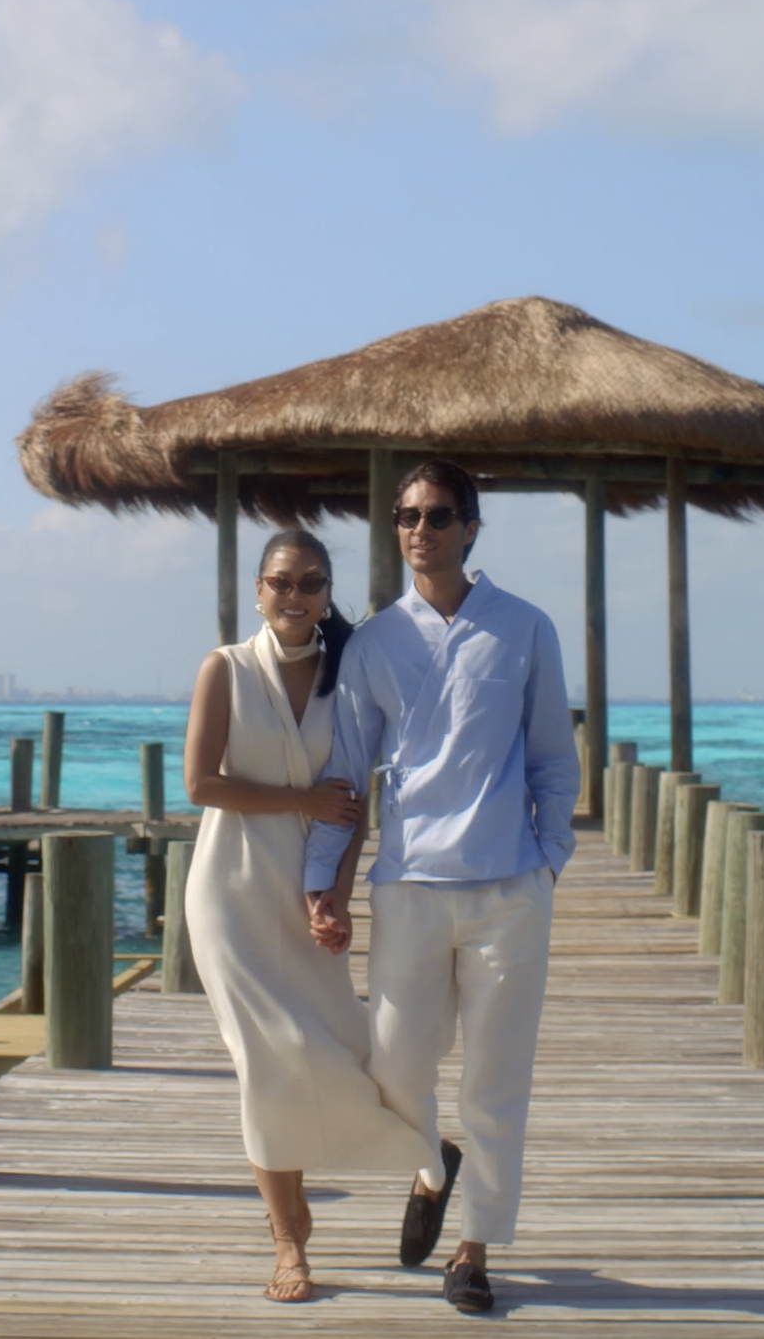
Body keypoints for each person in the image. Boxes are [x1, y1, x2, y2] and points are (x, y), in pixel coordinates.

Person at [303, 460, 578, 1314]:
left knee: (496, 1080)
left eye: (439, 514)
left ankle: (474, 1250)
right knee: (397, 1067)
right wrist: (324, 883)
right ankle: (432, 1166)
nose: (420, 528)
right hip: (409, 883)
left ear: (471, 527)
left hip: (508, 888)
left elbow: (552, 759)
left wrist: (549, 856)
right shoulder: (376, 640)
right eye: (407, 515)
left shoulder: (525, 628)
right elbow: (348, 771)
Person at [181, 530, 438, 1304]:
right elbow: (201, 783)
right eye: (281, 583)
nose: (294, 598)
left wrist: (335, 894)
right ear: (257, 590)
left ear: (328, 595)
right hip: (229, 891)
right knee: (265, 1064)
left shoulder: (347, 674)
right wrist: (299, 801)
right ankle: (289, 1240)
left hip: (306, 891)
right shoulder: (223, 668)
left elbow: (352, 805)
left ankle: (426, 1153)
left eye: (311, 584)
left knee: (343, 1047)